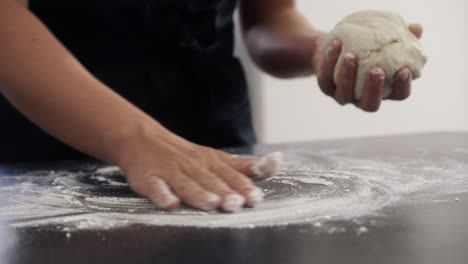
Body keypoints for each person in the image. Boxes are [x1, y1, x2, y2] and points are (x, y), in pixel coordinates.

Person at [0, 0, 423, 212]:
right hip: (55, 140)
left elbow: (271, 19)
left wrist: (319, 49)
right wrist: (135, 139)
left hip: (219, 147)